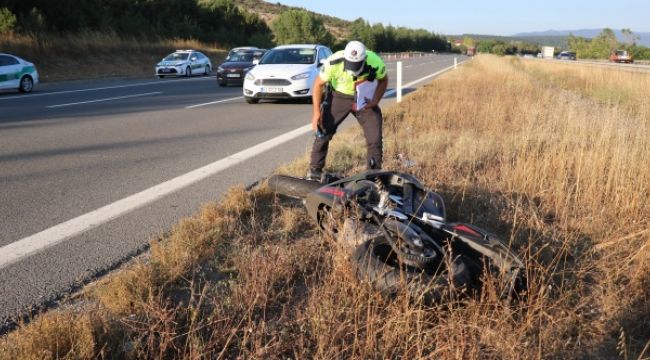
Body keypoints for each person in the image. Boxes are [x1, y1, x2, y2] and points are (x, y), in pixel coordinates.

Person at [308, 40, 388, 180]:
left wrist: (375, 100)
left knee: (374, 136)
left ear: (364, 59)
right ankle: (315, 170)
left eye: (356, 65)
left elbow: (383, 80)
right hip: (339, 96)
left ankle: (373, 176)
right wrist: (316, 112)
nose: (353, 69)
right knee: (323, 131)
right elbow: (318, 85)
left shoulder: (375, 61)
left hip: (364, 98)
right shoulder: (333, 62)